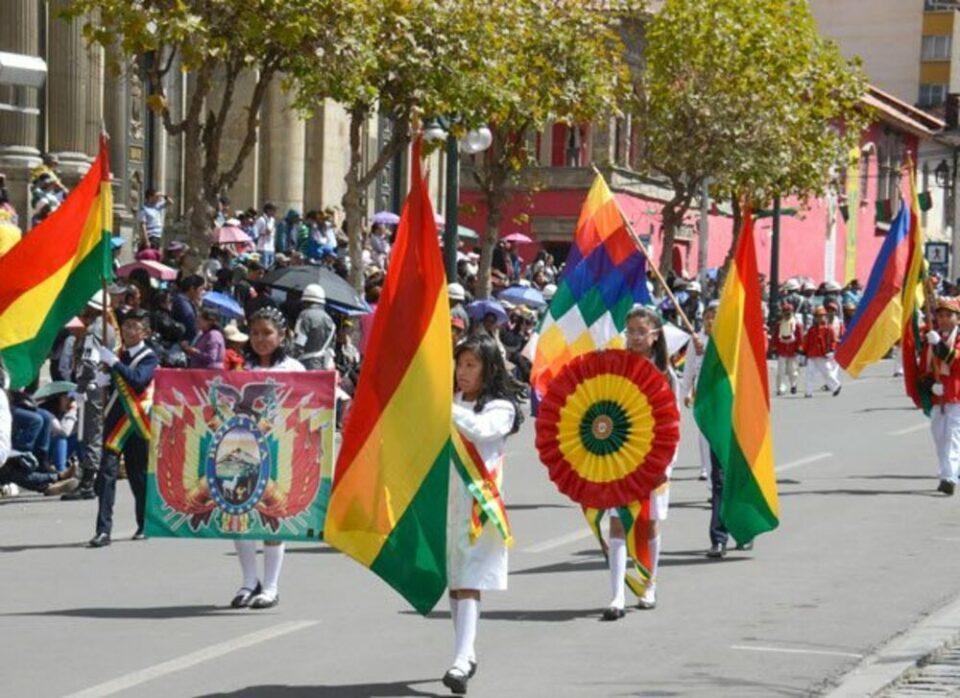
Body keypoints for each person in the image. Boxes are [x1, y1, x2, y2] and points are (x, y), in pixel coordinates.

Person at [444, 334, 522, 695]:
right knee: (455, 580)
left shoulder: (500, 408)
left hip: (480, 504)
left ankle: (460, 662)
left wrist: (439, 405)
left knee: (471, 579)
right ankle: (466, 650)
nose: (462, 372)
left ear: (489, 370)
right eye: (460, 364)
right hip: (448, 503)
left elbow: (479, 431)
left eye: (471, 365)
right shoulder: (453, 400)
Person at [602, 306, 678, 621]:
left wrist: (662, 461)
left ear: (655, 335)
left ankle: (648, 583)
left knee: (648, 522)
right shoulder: (615, 366)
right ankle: (617, 593)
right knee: (618, 521)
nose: (634, 337)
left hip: (653, 459)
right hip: (620, 457)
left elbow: (672, 422)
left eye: (641, 332)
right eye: (630, 331)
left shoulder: (665, 373)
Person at [231, 307, 305, 610]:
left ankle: (271, 586)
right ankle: (249, 581)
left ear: (282, 335)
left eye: (267, 333)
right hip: (243, 448)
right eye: (256, 332)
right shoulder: (240, 367)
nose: (261, 339)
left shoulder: (294, 369)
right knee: (238, 515)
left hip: (279, 451)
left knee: (271, 517)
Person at [89, 309, 158, 547]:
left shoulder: (149, 357)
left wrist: (115, 364)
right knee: (106, 474)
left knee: (138, 477)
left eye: (134, 326)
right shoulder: (117, 353)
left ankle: (144, 523)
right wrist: (103, 377)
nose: (128, 331)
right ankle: (103, 530)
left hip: (136, 424)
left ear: (145, 332)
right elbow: (113, 380)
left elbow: (138, 381)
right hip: (114, 422)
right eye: (126, 326)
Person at [61, 292, 117, 501]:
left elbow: (88, 362)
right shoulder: (108, 328)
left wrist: (80, 388)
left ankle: (88, 482)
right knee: (94, 431)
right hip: (101, 384)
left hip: (92, 387)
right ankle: (91, 477)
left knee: (90, 432)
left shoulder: (94, 330)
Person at [921, 297, 960, 495]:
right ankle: (949, 471)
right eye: (941, 316)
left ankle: (949, 478)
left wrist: (940, 346)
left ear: (957, 318)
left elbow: (957, 361)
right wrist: (931, 385)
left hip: (957, 395)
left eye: (948, 315)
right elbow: (924, 369)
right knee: (940, 438)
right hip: (938, 396)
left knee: (952, 437)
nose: (944, 319)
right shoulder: (932, 338)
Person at [680, 303, 717, 484]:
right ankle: (708, 474)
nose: (711, 319)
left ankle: (721, 477)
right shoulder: (696, 339)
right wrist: (686, 391)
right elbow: (689, 368)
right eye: (708, 315)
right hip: (702, 392)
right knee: (704, 434)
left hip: (721, 391)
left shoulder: (728, 338)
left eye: (715, 315)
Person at [293, 284, 336, 370]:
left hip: (306, 364)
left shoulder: (305, 315)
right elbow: (332, 346)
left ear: (306, 301)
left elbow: (299, 343)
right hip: (324, 365)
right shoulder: (329, 319)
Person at [802, 307, 841, 398]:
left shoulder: (829, 329)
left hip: (823, 354)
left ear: (825, 317)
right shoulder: (811, 330)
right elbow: (807, 341)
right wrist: (803, 351)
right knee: (809, 374)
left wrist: (831, 349)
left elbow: (833, 341)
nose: (820, 318)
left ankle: (836, 386)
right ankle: (808, 392)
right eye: (818, 316)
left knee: (827, 372)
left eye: (822, 316)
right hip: (812, 355)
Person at [774, 303, 803, 396]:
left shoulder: (797, 324)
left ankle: (793, 385)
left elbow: (800, 337)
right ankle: (781, 388)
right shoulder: (779, 324)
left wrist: (799, 348)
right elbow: (775, 336)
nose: (787, 315)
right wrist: (774, 346)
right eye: (785, 313)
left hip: (793, 349)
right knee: (780, 370)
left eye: (789, 313)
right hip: (782, 349)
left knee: (793, 370)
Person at [172, 274, 204, 343]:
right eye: (200, 289)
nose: (202, 293)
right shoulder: (183, 302)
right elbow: (193, 328)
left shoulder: (185, 301)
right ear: (192, 289)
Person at [254, 203, 278, 268]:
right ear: (268, 210)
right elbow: (255, 233)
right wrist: (264, 233)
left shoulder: (272, 220)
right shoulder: (261, 220)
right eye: (273, 210)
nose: (275, 212)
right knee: (264, 267)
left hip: (271, 248)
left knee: (271, 268)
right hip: (263, 248)